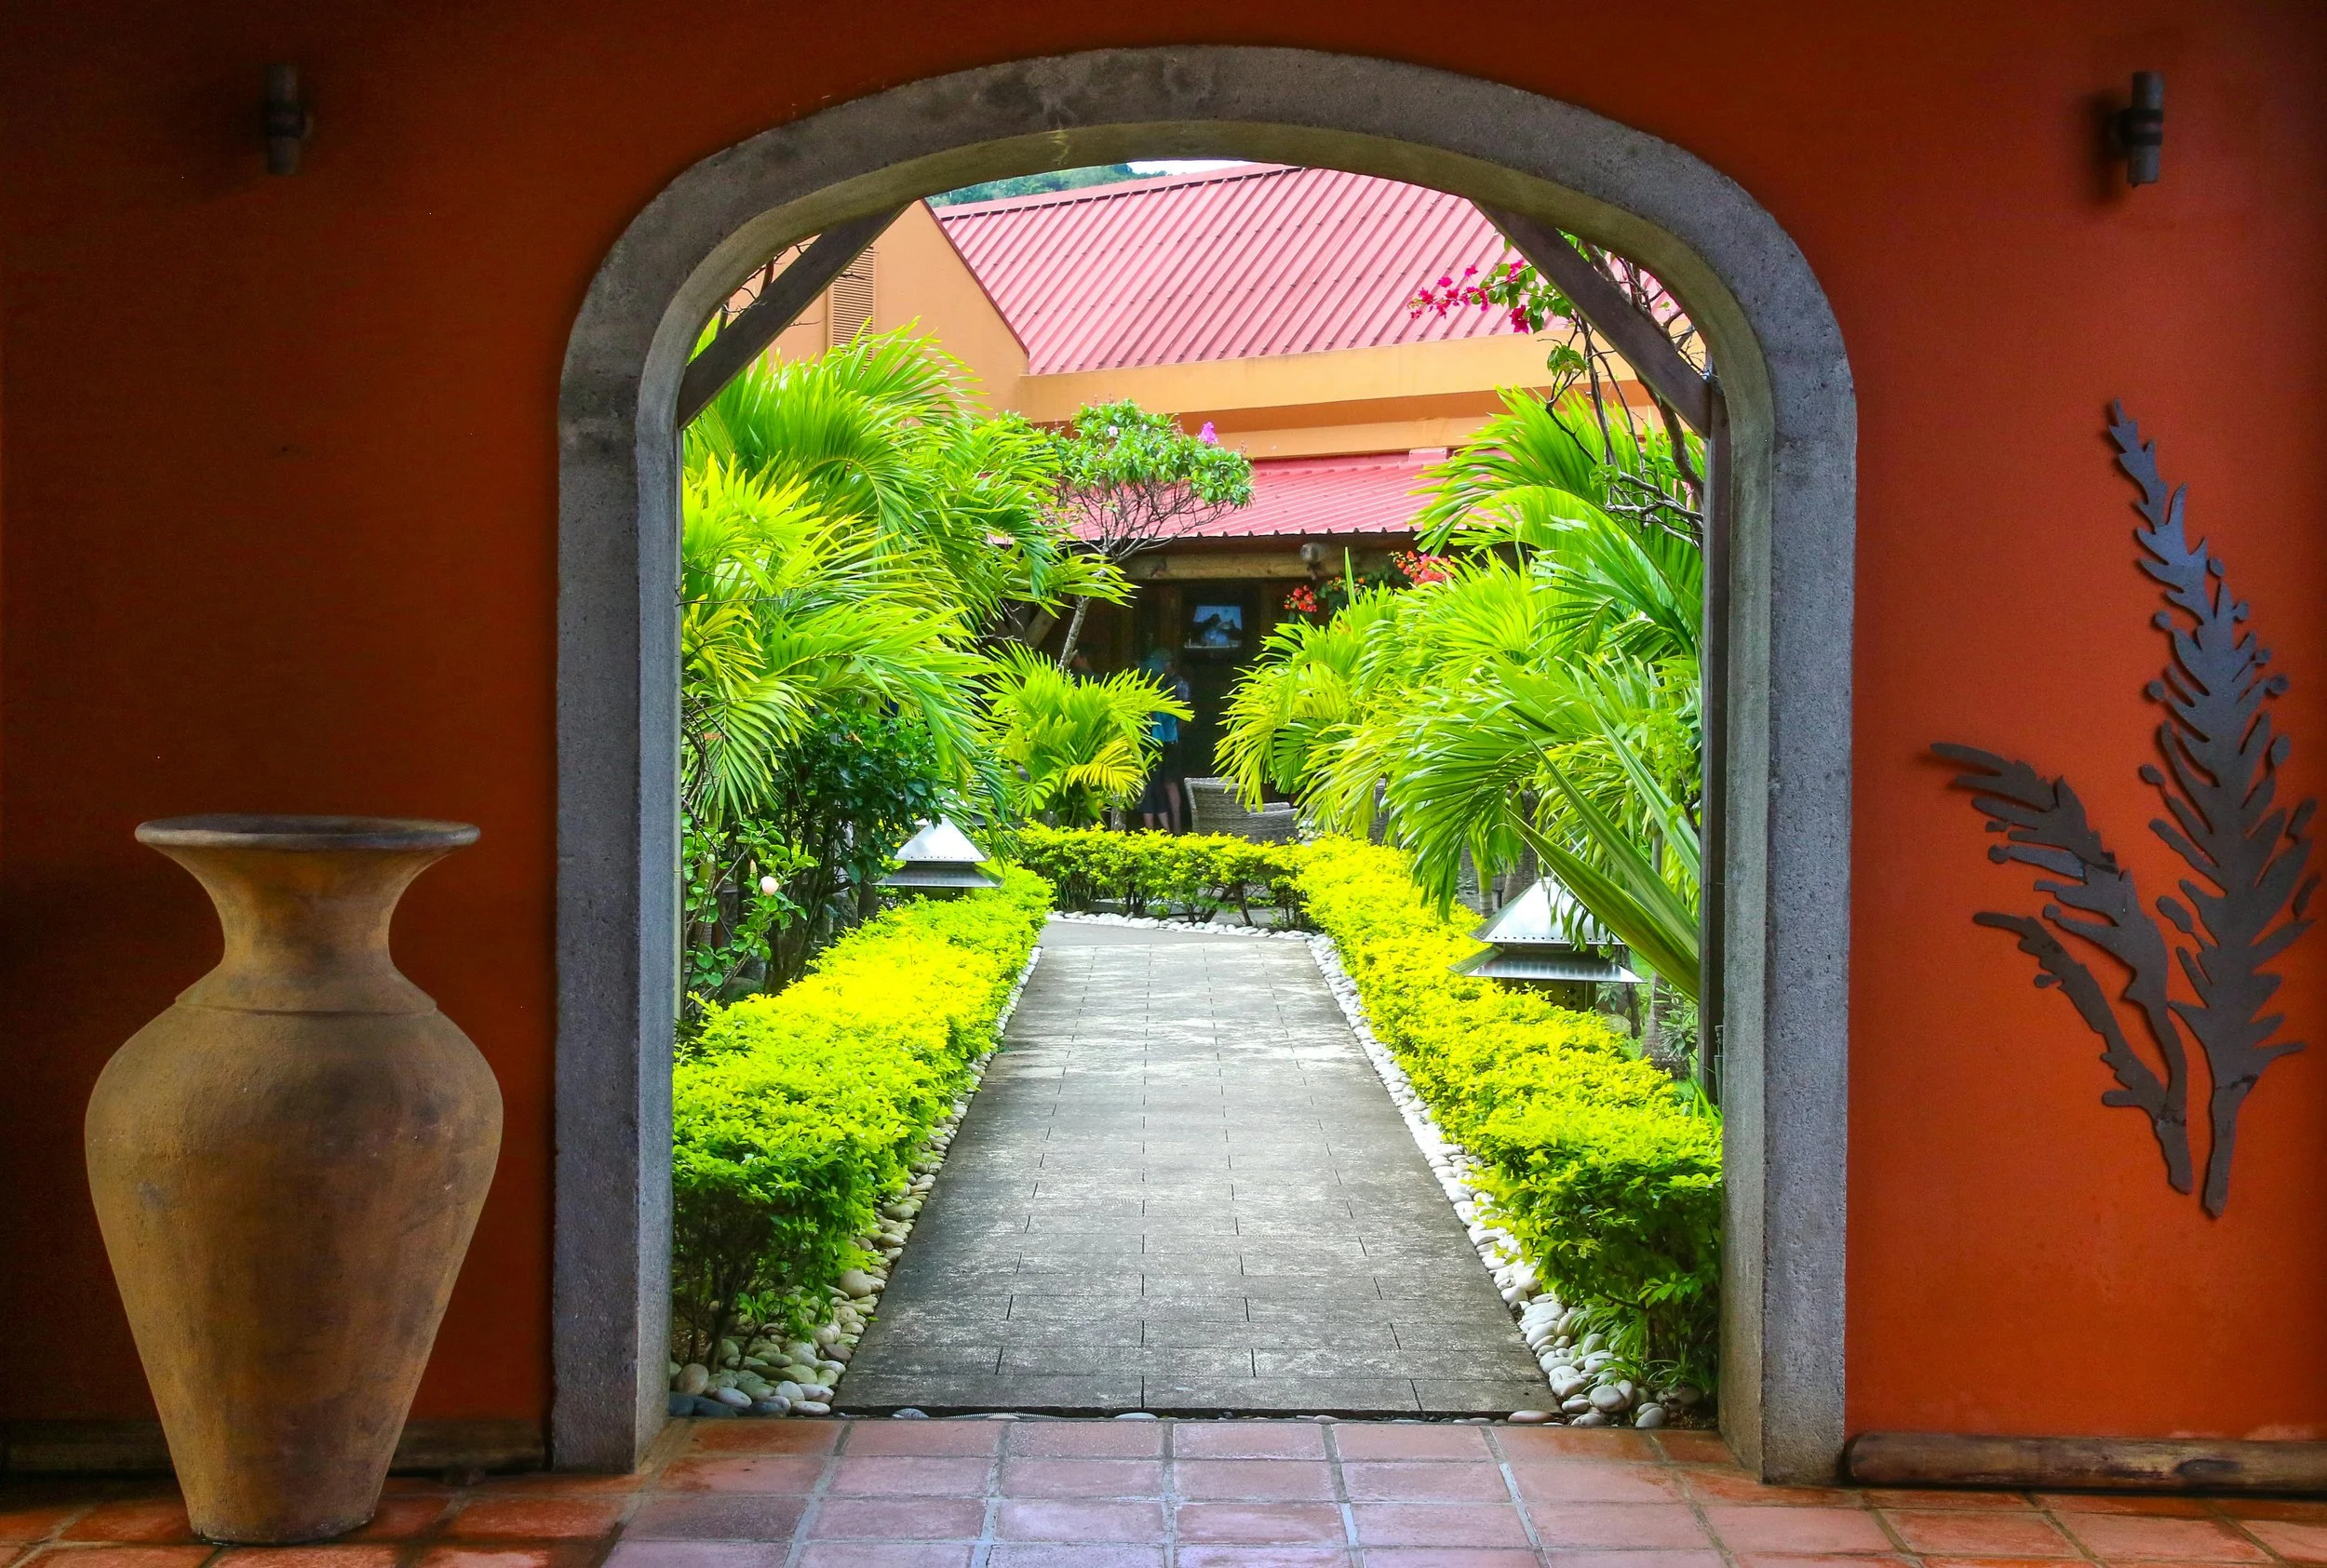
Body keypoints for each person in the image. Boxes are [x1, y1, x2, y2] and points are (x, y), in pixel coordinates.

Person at [1137, 650, 1194, 832]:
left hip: (1165, 741)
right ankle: (1170, 828)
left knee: (1166, 782)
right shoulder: (1159, 688)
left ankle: (1174, 827)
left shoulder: (1175, 685)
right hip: (1165, 739)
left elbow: (1184, 715)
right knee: (1158, 784)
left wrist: (1172, 736)